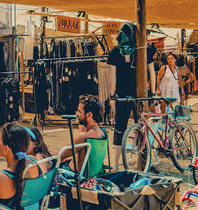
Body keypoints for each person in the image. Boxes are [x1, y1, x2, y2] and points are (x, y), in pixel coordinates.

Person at [107, 22, 153, 169]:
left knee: (120, 129)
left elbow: (112, 77)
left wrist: (112, 96)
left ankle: (116, 164)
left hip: (123, 95)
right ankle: (141, 162)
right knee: (139, 128)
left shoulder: (116, 52)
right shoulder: (141, 51)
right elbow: (152, 73)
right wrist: (152, 92)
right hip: (139, 95)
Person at [60, 94, 106, 173]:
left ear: (89, 115)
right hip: (93, 174)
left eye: (79, 111)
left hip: (72, 175)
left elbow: (61, 155)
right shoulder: (103, 133)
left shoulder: (83, 137)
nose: (77, 114)